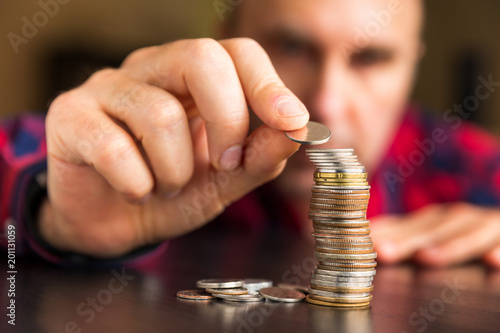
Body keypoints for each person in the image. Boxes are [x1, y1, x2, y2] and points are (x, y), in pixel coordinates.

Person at [1, 0, 500, 267]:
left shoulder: (476, 170)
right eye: (292, 46)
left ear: (412, 61)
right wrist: (48, 216)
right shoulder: (143, 137)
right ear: (229, 36)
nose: (324, 101)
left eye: (371, 58)